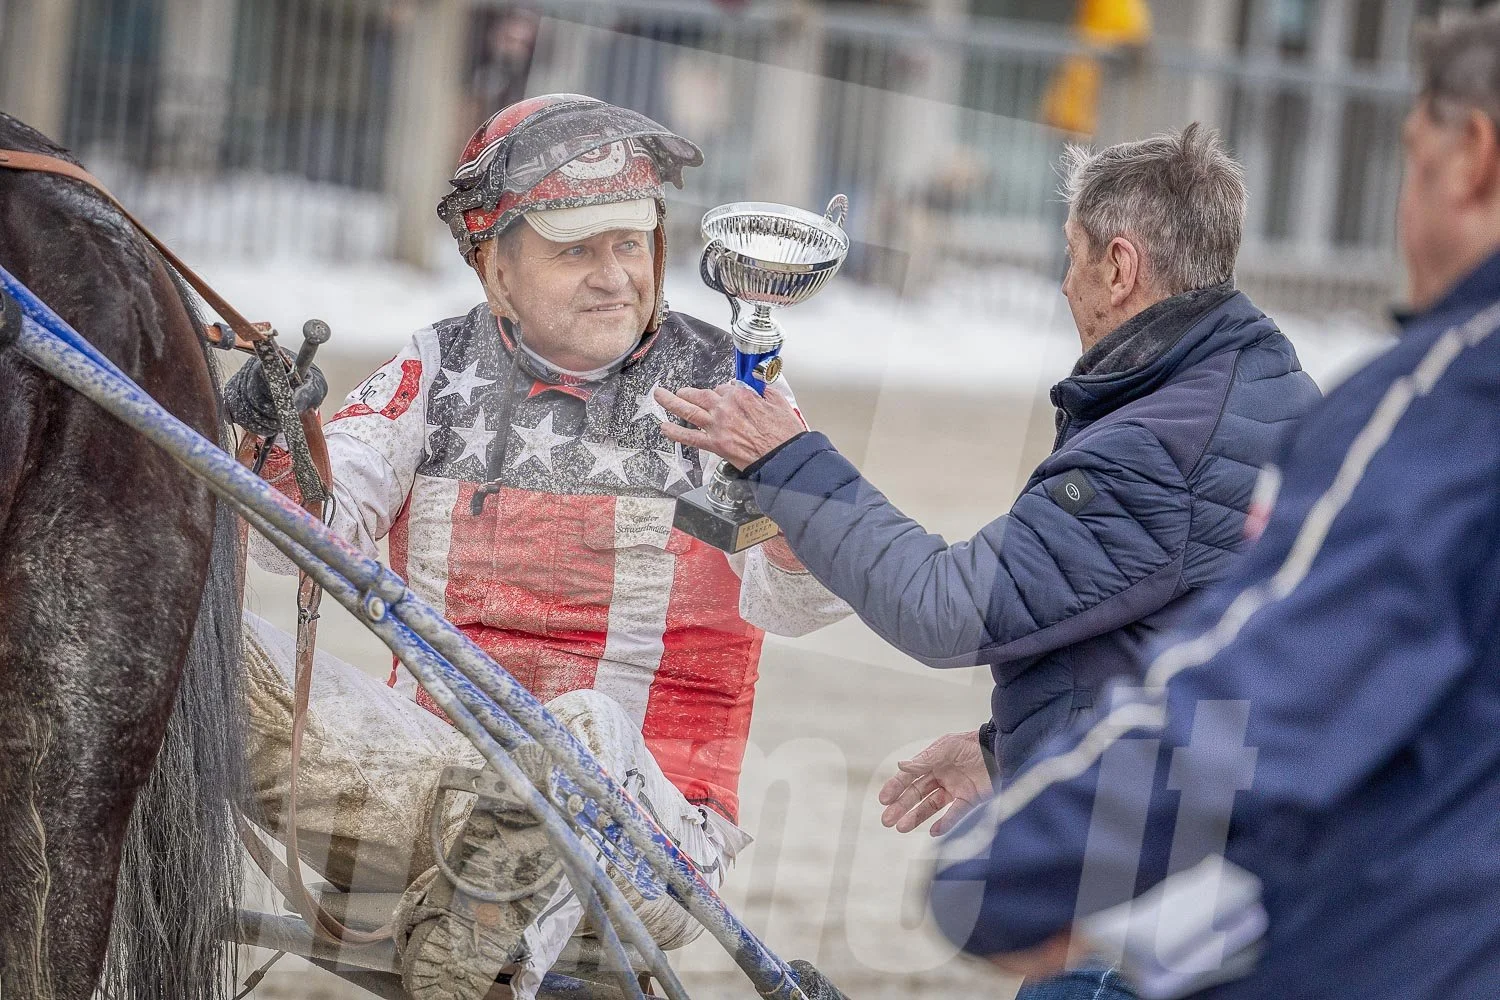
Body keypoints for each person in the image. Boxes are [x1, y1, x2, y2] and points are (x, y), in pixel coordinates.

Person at [656, 124, 1321, 999]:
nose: (1062, 281)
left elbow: (948, 607)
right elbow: (1164, 636)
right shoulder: (1255, 380)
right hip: (1218, 858)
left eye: (1073, 255)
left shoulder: (1159, 447)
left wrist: (788, 458)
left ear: (1120, 267)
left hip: (1145, 900)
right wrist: (1010, 750)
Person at [918, 8, 1500, 998]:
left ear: (1471, 158)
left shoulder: (1443, 402)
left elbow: (1258, 687)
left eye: (1407, 156)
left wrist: (1005, 864)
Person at [226, 94, 847, 1000]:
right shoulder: (433, 365)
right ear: (496, 270)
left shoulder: (732, 384)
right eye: (574, 249)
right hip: (433, 791)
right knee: (209, 650)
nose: (614, 277)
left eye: (629, 244)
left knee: (580, 724)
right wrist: (277, 443)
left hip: (650, 832)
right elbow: (302, 539)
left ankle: (484, 940)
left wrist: (787, 498)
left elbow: (799, 604)